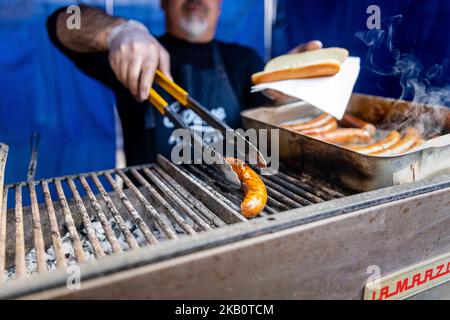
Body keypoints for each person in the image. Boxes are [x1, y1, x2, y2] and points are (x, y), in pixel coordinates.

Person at [47, 0, 320, 166]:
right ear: (162, 2)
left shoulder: (243, 60)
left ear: (220, 3)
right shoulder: (134, 53)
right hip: (150, 214)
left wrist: (287, 92)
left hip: (233, 207)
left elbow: (269, 133)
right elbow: (59, 22)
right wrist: (117, 31)